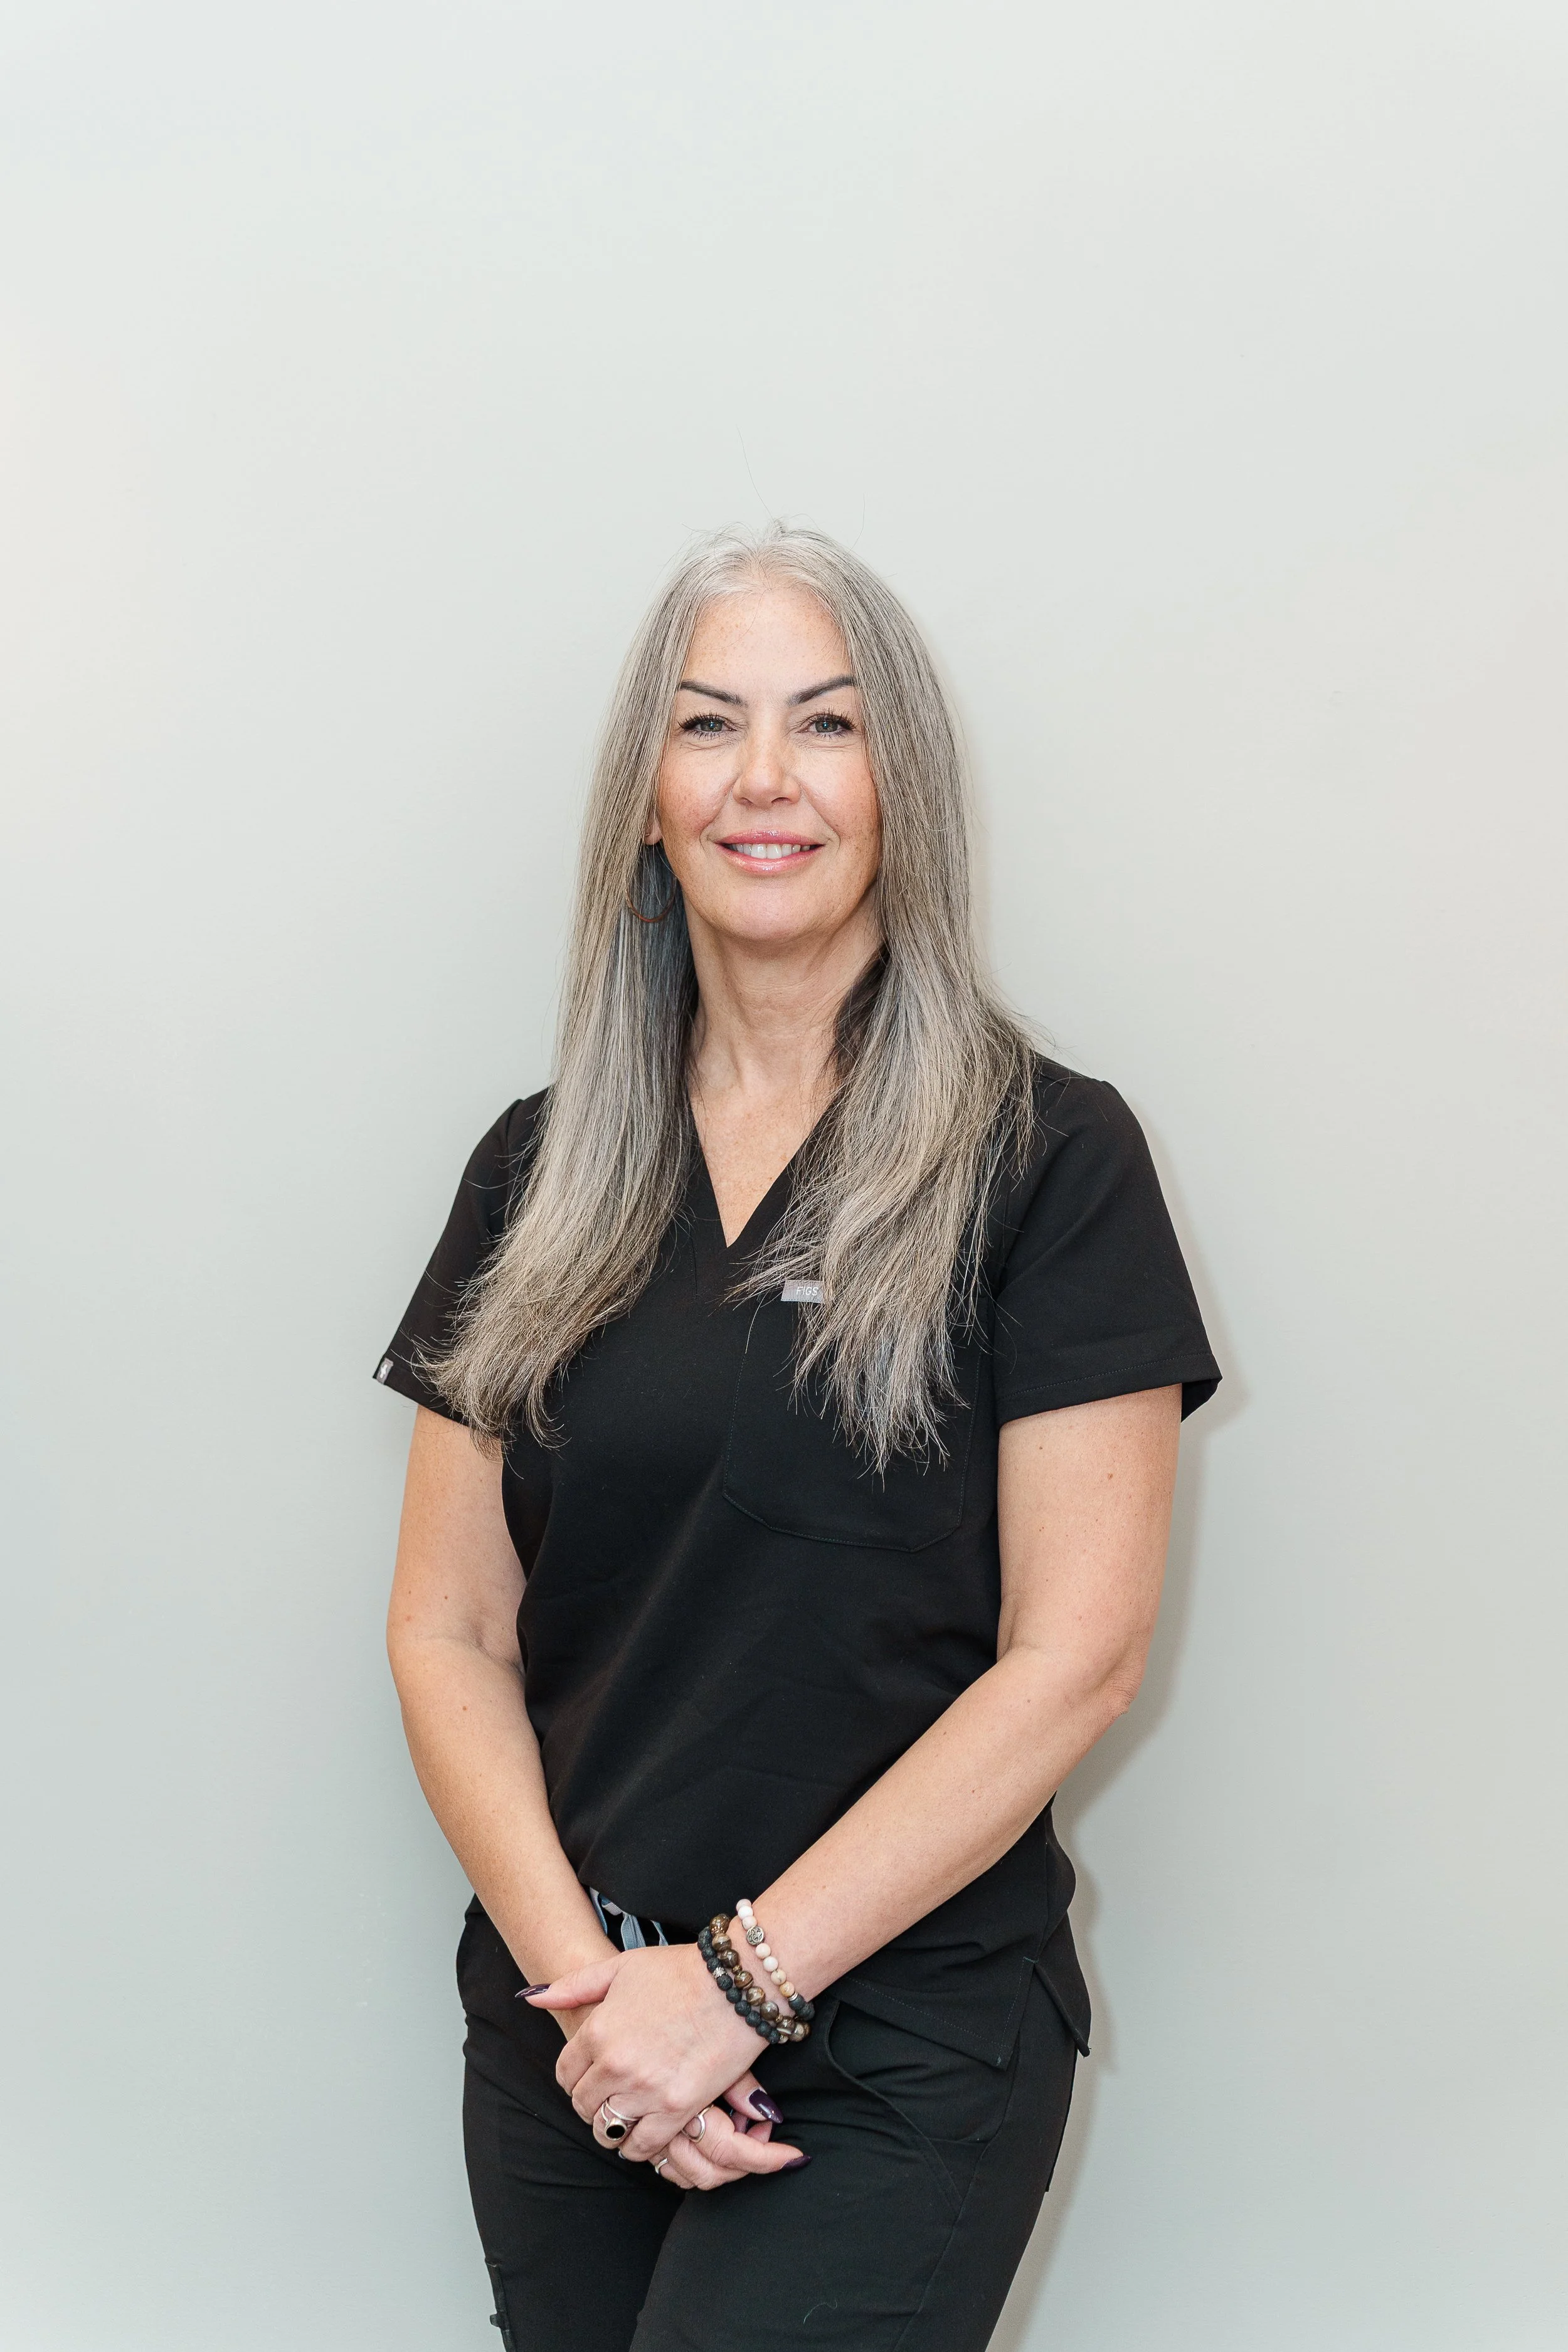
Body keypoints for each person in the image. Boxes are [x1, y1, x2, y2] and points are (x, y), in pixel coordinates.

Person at [377, 524, 1220, 2352]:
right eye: (707, 725)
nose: (764, 777)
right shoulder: (532, 1172)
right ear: (646, 797)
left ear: (901, 785)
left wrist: (735, 1992)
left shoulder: (1052, 1161)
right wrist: (601, 1994)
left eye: (826, 723)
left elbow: (1075, 1659)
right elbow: (448, 1627)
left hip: (895, 2033)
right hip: (575, 2030)